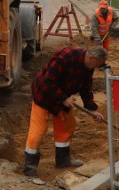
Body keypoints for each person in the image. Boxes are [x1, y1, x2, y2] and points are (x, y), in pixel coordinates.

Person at [22, 46, 107, 176]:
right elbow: (48, 81)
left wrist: (92, 109)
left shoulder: (88, 66)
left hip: (63, 96)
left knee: (67, 125)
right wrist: (63, 98)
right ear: (91, 58)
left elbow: (86, 88)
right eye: (97, 65)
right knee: (38, 131)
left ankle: (63, 160)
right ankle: (29, 168)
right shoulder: (66, 57)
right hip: (44, 94)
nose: (96, 68)